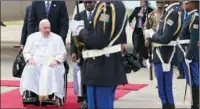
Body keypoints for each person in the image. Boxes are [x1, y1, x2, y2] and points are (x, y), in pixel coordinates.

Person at [71, 1, 128, 108]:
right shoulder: (118, 4)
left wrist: (80, 30)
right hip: (108, 66)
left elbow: (98, 40)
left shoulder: (105, 7)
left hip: (99, 68)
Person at [144, 1, 183, 108]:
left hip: (164, 55)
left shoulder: (172, 13)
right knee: (163, 89)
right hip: (161, 53)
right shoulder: (168, 12)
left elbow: (165, 38)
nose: (160, 2)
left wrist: (152, 35)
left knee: (165, 89)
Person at [20, 19, 67, 105]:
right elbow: (26, 52)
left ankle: (48, 96)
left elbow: (63, 53)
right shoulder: (32, 37)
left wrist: (56, 60)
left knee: (49, 69)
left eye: (49, 28)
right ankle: (30, 95)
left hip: (51, 63)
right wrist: (29, 59)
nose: (48, 30)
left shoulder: (57, 38)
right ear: (39, 28)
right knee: (30, 68)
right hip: (36, 63)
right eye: (45, 28)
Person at [71, 0, 97, 108]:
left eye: (90, 2)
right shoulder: (78, 16)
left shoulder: (101, 15)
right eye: (86, 3)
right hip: (83, 52)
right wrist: (73, 51)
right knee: (84, 76)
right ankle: (86, 98)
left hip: (97, 51)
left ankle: (96, 98)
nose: (88, 4)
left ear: (95, 2)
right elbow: (73, 33)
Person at [179, 1, 199, 108]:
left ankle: (196, 104)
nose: (184, 5)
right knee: (189, 79)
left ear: (193, 4)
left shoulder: (194, 18)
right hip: (186, 51)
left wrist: (189, 56)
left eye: (186, 3)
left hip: (191, 53)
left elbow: (194, 39)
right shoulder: (189, 16)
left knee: (194, 79)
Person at [129, 0, 153, 67]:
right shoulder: (137, 9)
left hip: (145, 30)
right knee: (136, 46)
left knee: (142, 47)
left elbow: (151, 19)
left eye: (142, 2)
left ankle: (140, 62)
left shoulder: (150, 10)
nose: (141, 3)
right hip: (137, 29)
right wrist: (131, 23)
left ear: (146, 3)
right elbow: (130, 17)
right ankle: (132, 62)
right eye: (140, 2)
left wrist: (143, 15)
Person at [176, 1, 187, 79]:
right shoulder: (178, 13)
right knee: (180, 55)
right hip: (179, 37)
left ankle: (186, 72)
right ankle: (181, 72)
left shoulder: (190, 13)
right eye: (184, 4)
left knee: (187, 55)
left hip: (187, 38)